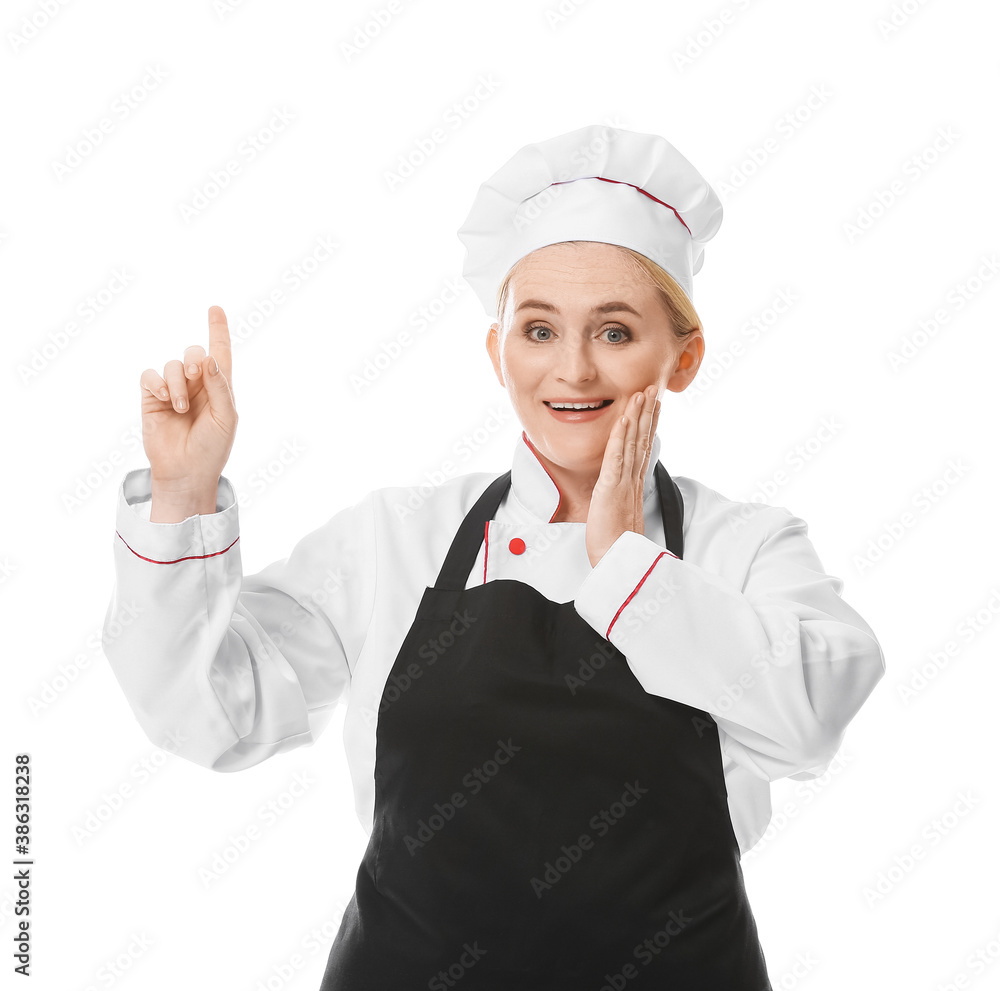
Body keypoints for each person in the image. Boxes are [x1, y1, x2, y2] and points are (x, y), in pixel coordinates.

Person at [102, 124, 885, 989]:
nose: (573, 371)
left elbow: (812, 720)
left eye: (616, 332)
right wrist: (181, 496)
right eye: (539, 330)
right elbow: (209, 714)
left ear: (684, 357)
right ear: (497, 352)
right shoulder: (398, 538)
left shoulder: (743, 546)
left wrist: (628, 563)